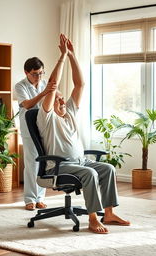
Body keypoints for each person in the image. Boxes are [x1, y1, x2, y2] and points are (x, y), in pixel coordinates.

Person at [37, 34, 130, 234]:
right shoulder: (46, 118)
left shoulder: (69, 112)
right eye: (58, 99)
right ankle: (93, 218)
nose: (62, 102)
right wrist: (61, 57)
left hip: (80, 161)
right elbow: (52, 84)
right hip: (60, 166)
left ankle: (109, 213)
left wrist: (71, 54)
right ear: (50, 102)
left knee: (108, 168)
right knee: (91, 173)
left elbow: (80, 85)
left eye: (63, 99)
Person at [15, 56, 54, 210]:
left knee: (43, 163)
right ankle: (30, 199)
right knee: (32, 164)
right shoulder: (20, 86)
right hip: (29, 129)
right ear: (26, 73)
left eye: (41, 73)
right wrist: (44, 93)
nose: (39, 77)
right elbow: (28, 105)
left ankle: (40, 198)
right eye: (35, 74)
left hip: (44, 128)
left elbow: (55, 97)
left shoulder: (44, 83)